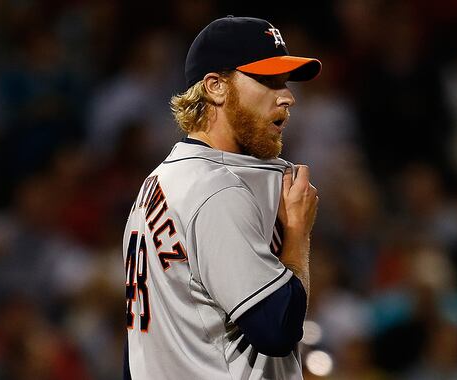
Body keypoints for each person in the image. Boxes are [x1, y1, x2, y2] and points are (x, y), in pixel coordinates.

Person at [122, 16, 321, 379]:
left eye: (285, 82)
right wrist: (296, 235)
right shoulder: (216, 189)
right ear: (215, 87)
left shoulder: (157, 182)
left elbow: (136, 349)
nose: (288, 96)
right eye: (267, 81)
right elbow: (275, 330)